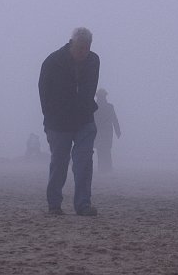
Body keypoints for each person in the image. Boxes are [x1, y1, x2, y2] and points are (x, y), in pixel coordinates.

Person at [39, 27, 100, 216]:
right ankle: (54, 204)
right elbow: (43, 91)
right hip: (58, 122)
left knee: (84, 162)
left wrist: (87, 107)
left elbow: (90, 88)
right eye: (80, 47)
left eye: (87, 48)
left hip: (84, 120)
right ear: (71, 43)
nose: (83, 52)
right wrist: (49, 119)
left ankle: (83, 204)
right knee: (59, 162)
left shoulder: (94, 60)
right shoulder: (53, 61)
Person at [93, 88, 121, 173]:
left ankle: (103, 168)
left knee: (101, 151)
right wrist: (118, 131)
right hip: (105, 133)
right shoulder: (109, 107)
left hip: (99, 133)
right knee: (106, 151)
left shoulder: (94, 106)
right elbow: (114, 120)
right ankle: (107, 168)